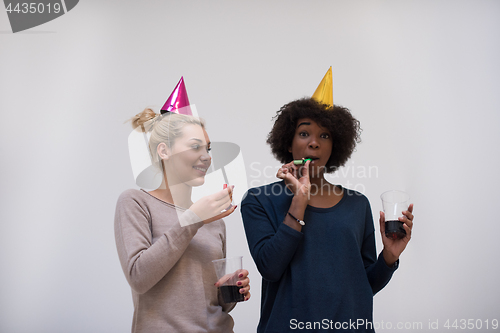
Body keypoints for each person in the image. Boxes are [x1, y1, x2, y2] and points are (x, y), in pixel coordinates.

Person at [241, 98, 414, 332]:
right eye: (304, 133)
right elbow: (270, 268)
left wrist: (389, 257)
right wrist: (299, 200)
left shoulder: (357, 204)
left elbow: (363, 286)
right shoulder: (258, 200)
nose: (314, 143)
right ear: (289, 143)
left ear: (335, 146)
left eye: (324, 136)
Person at [115, 107, 251, 333]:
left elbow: (216, 303)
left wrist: (231, 288)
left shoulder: (214, 220)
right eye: (195, 146)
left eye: (208, 149)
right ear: (164, 151)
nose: (207, 157)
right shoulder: (136, 202)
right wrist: (193, 219)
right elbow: (139, 277)